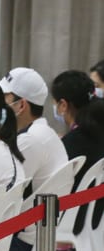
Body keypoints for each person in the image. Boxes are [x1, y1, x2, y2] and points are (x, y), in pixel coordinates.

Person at [52, 70, 104, 235]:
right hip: (97, 220)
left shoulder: (74, 142)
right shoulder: (95, 132)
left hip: (77, 222)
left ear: (63, 105)